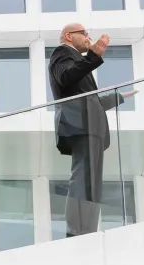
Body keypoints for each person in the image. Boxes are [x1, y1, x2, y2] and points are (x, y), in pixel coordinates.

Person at [49, 23, 136, 236]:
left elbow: (90, 99)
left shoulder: (78, 59)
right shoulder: (61, 53)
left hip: (90, 124)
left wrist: (117, 98)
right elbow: (66, 77)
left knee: (93, 181)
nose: (89, 37)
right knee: (82, 177)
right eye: (84, 33)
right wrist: (93, 56)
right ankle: (76, 231)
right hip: (79, 124)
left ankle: (86, 229)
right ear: (69, 37)